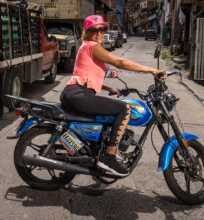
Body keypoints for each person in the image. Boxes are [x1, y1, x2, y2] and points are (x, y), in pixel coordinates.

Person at [60, 15, 166, 176]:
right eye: (94, 30)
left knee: (109, 114)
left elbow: (86, 76)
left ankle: (98, 151)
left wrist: (109, 88)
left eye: (102, 29)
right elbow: (120, 63)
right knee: (124, 109)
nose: (98, 33)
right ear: (87, 33)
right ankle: (109, 156)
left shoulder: (86, 47)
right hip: (78, 94)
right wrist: (152, 70)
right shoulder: (92, 46)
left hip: (76, 92)